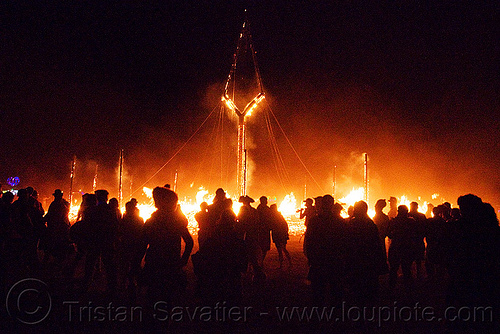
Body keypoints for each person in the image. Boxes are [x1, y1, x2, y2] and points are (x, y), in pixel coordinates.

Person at [136, 186, 193, 306]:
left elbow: (142, 245)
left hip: (154, 264)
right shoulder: (176, 221)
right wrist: (183, 260)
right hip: (171, 264)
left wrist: (136, 265)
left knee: (153, 299)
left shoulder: (152, 221)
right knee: (167, 300)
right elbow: (189, 242)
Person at [304, 194, 346, 305]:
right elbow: (345, 243)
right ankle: (336, 315)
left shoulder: (315, 221)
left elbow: (309, 242)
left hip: (319, 261)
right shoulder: (340, 222)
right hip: (335, 261)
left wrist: (310, 257)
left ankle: (319, 315)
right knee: (335, 291)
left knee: (318, 292)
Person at [346, 201, 388, 304]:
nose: (354, 211)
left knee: (361, 289)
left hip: (361, 261)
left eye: (356, 209)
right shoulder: (370, 224)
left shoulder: (354, 224)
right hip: (366, 262)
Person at [81, 189, 119, 295]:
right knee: (108, 264)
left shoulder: (92, 210)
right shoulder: (110, 210)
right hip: (106, 240)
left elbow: (86, 226)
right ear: (106, 198)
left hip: (96, 240)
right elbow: (115, 226)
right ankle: (112, 287)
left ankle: (86, 286)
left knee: (91, 263)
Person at [387, 205, 418, 289]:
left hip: (396, 247)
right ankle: (409, 289)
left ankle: (391, 288)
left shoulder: (393, 222)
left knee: (393, 269)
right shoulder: (411, 222)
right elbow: (415, 234)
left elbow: (389, 235)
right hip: (407, 248)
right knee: (406, 269)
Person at [237, 195, 265, 282]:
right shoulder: (254, 210)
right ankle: (254, 271)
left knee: (248, 254)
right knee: (252, 253)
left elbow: (240, 220)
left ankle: (255, 272)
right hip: (253, 234)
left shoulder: (243, 210)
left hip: (246, 235)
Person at [43, 189, 71, 267]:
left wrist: (44, 220)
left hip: (57, 227)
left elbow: (51, 215)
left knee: (54, 244)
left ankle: (55, 262)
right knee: (57, 244)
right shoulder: (63, 204)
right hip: (60, 226)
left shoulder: (57, 204)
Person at [270, 204, 291, 268]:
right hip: (280, 234)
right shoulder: (278, 216)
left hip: (279, 235)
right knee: (283, 249)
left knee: (281, 250)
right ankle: (288, 263)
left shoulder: (275, 217)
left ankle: (284, 264)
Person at [256, 196, 272, 264]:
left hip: (263, 229)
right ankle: (260, 261)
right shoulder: (263, 209)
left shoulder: (259, 209)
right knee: (262, 246)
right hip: (263, 230)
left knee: (263, 247)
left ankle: (260, 261)